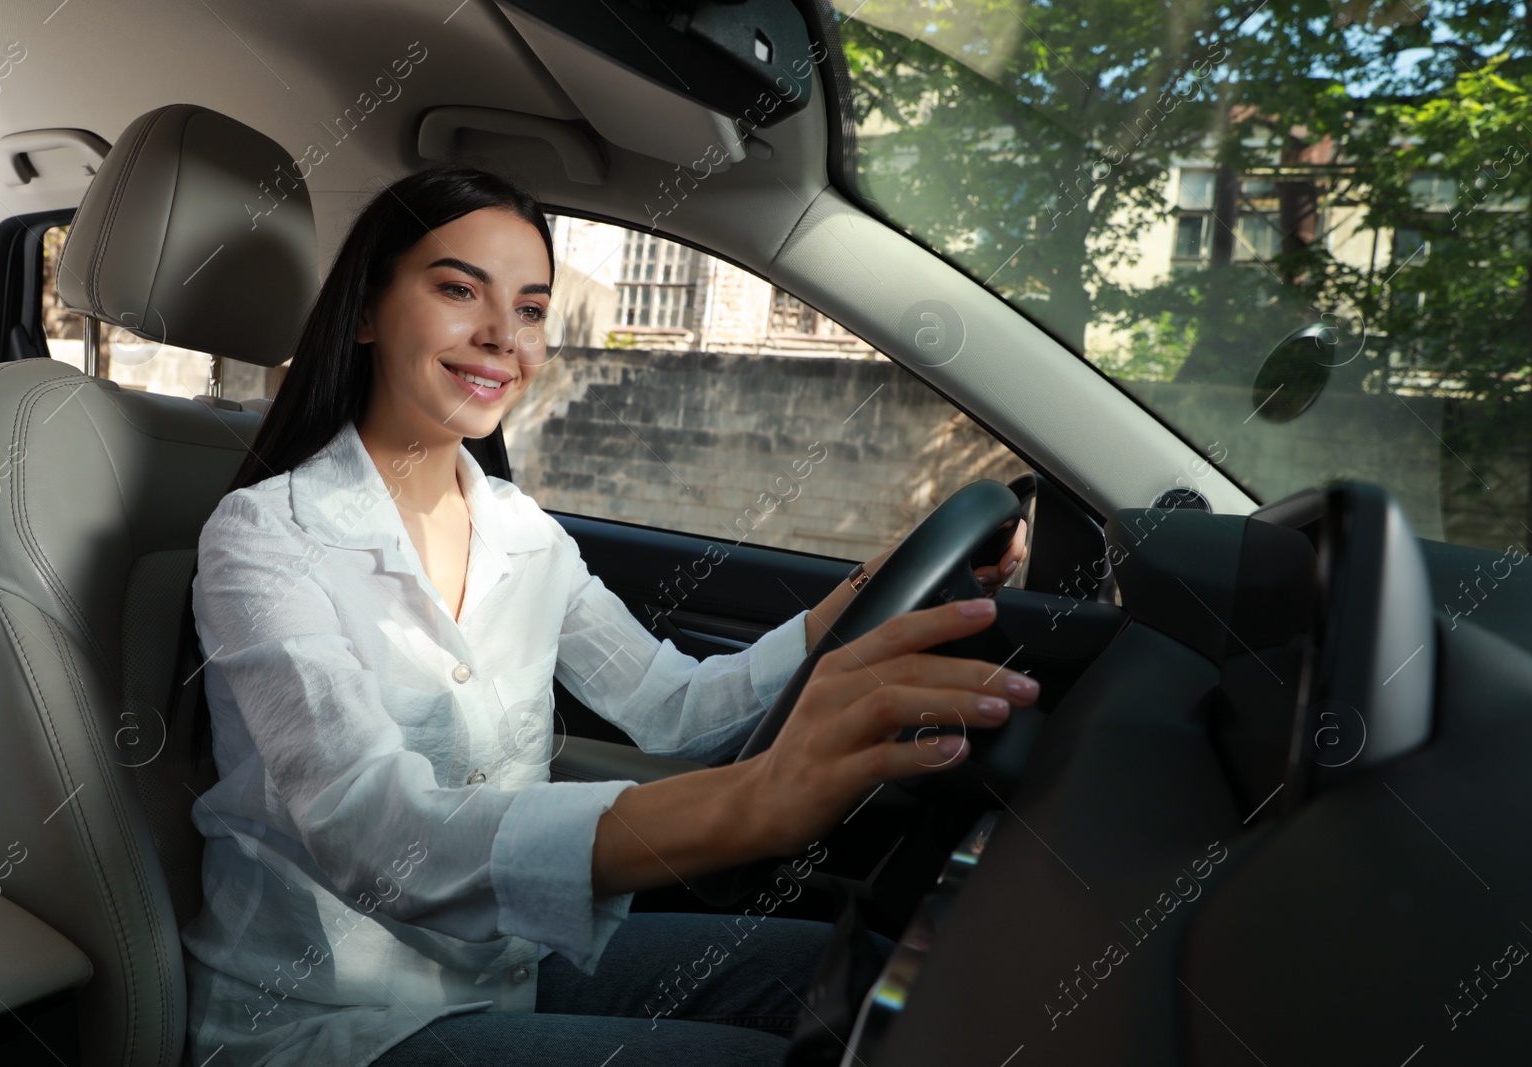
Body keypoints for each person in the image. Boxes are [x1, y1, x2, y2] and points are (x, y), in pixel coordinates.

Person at [179, 164, 1036, 1067]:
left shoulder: (522, 531)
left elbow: (677, 709)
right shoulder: (265, 537)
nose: (502, 337)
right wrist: (744, 806)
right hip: (325, 1019)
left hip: (504, 966)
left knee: (861, 979)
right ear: (364, 312)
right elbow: (377, 833)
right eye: (458, 289)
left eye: (532, 308)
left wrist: (864, 594)